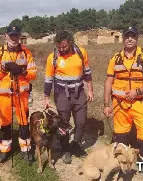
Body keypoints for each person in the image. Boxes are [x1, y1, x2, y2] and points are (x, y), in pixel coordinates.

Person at [103, 26, 143, 181]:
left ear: (137, 38)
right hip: (120, 106)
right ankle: (123, 167)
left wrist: (138, 91)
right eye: (127, 36)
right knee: (121, 139)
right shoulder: (115, 58)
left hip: (141, 103)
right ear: (123, 38)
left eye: (133, 36)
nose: (130, 38)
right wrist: (106, 104)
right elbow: (108, 81)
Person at [44, 30, 94, 164]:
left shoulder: (81, 52)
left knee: (81, 122)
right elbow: (48, 79)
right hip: (62, 95)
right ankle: (66, 149)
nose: (61, 49)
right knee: (63, 124)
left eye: (64, 47)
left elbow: (87, 73)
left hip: (79, 93)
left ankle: (76, 145)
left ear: (70, 42)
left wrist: (90, 90)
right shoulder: (53, 57)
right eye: (58, 47)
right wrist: (47, 98)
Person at [0, 25, 37, 163]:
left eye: (16, 35)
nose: (14, 38)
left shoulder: (26, 52)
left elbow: (33, 74)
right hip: (4, 95)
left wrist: (22, 72)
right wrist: (4, 69)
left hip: (22, 94)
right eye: (11, 35)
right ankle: (5, 150)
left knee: (23, 122)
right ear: (6, 36)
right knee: (5, 123)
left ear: (19, 36)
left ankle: (26, 149)